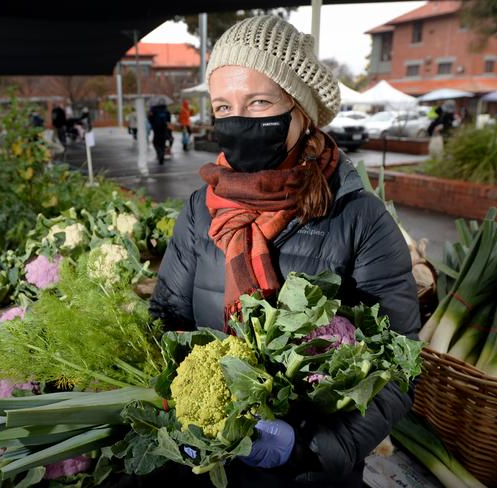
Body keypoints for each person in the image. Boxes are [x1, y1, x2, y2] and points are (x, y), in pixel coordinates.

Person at [149, 15, 419, 488]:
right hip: (210, 466)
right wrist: (174, 408)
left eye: (259, 102)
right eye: (224, 106)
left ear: (301, 110)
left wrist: (309, 450)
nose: (239, 120)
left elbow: (398, 368)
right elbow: (167, 317)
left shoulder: (360, 219)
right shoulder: (199, 210)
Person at [148, 98, 172, 164]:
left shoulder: (154, 109)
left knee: (155, 142)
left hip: (156, 128)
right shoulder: (166, 109)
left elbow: (150, 118)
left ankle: (159, 153)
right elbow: (169, 120)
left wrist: (152, 125)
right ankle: (162, 154)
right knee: (163, 142)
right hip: (164, 127)